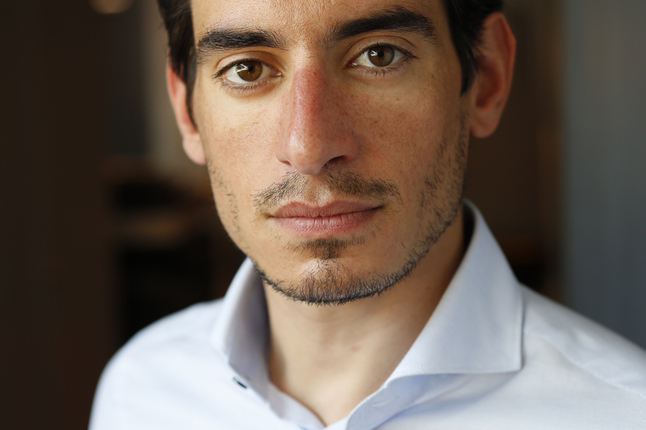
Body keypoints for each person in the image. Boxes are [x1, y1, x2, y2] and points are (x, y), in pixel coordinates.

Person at [90, 0, 646, 428]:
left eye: (379, 55)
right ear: (186, 110)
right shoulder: (139, 393)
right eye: (247, 69)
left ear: (487, 76)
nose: (308, 146)